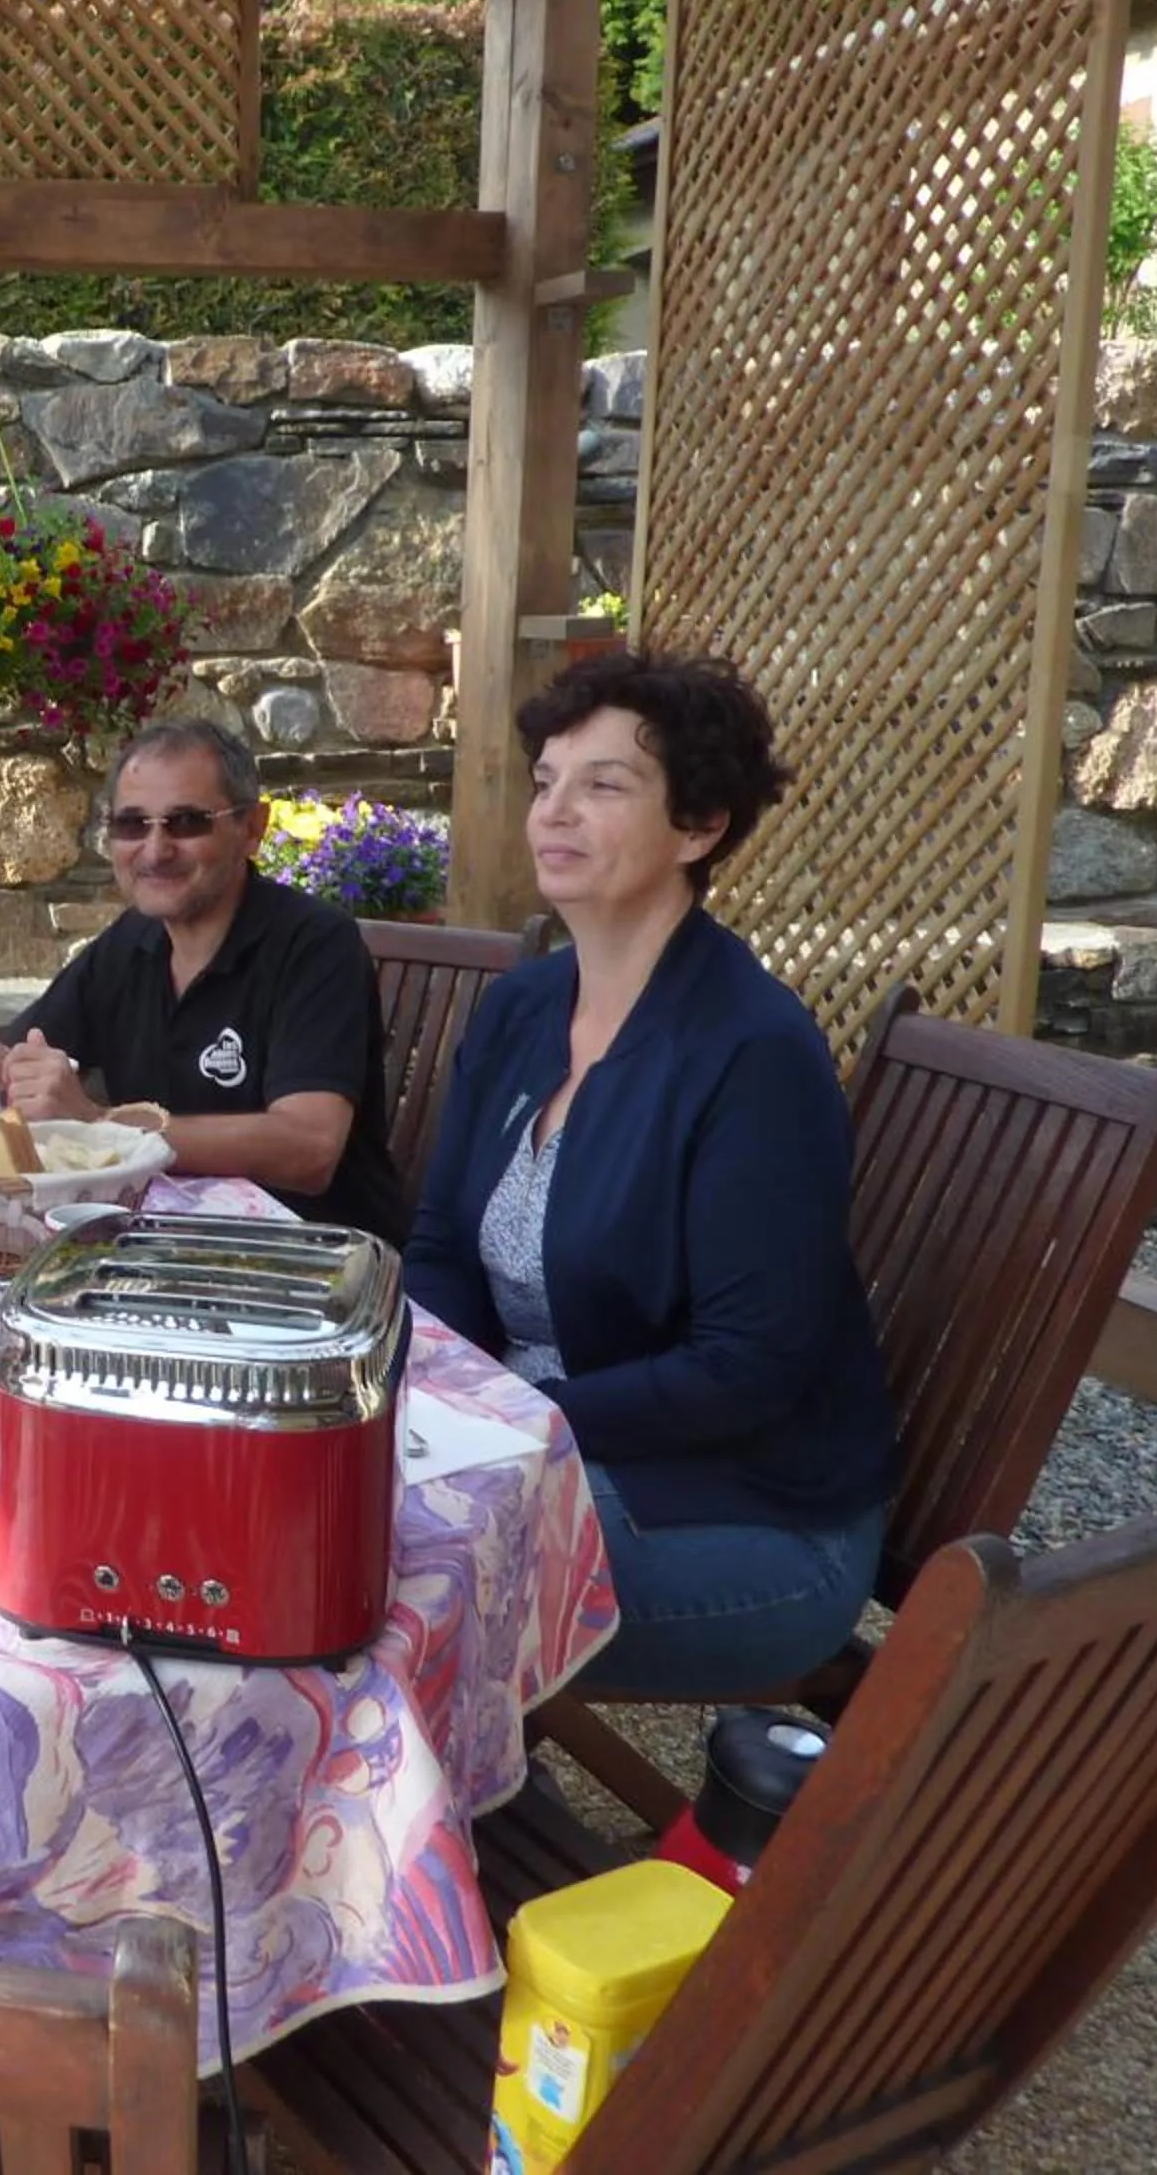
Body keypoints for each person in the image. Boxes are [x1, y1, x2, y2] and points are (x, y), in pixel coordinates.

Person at [403, 652, 894, 1699]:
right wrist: (420, 1388)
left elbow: (745, 1366)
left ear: (700, 825)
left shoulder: (750, 1050)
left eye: (605, 784)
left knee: (385, 1586)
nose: (556, 811)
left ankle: (402, 1850)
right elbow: (443, 1246)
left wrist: (506, 1415)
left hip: (751, 1519)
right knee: (301, 1515)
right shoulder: (526, 1007)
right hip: (546, 1447)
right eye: (546, 781)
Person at [0, 717, 410, 1242]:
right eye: (132, 824)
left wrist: (100, 1121)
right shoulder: (132, 942)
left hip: (309, 1261)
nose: (155, 850)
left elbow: (309, 1148)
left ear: (252, 829)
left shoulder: (315, 944)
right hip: (162, 1245)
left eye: (186, 822)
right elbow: (17, 1068)